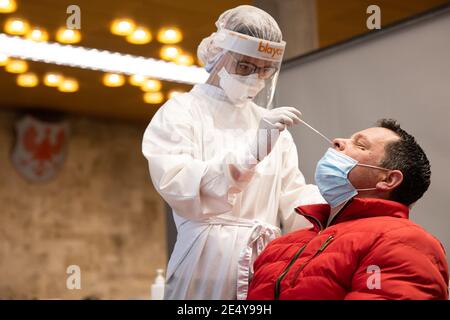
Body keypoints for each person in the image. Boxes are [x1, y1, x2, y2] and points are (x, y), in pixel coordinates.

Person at [141, 5, 324, 300]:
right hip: (203, 264)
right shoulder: (182, 112)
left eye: (265, 69)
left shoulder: (272, 127)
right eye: (245, 66)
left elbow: (292, 202)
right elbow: (182, 187)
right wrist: (249, 154)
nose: (255, 77)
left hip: (265, 266)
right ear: (218, 55)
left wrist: (332, 199)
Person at [247, 119, 449, 300]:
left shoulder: (404, 242)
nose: (337, 141)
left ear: (388, 180)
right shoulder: (281, 245)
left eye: (360, 144)